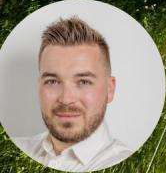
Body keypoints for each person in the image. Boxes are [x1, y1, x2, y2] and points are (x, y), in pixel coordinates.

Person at [13, 16, 134, 171]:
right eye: (52, 81)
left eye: (83, 82)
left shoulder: (128, 165)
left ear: (109, 89)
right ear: (39, 87)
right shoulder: (15, 148)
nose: (66, 99)